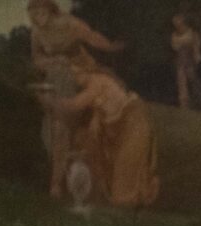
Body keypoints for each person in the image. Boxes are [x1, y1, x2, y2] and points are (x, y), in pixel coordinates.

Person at [26, 0, 124, 199]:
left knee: (63, 123)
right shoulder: (36, 33)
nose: (37, 17)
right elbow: (37, 60)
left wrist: (111, 46)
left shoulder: (69, 23)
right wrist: (53, 61)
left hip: (81, 74)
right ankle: (62, 178)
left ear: (50, 10)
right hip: (57, 77)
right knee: (53, 128)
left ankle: (57, 183)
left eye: (41, 11)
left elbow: (92, 37)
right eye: (33, 13)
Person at [46, 64, 158, 208]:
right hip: (120, 128)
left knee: (125, 175)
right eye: (73, 75)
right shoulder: (93, 85)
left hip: (133, 125)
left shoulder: (97, 82)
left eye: (77, 73)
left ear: (87, 70)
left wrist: (50, 100)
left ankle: (138, 197)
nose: (75, 78)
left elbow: (75, 105)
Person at [170, 12, 201, 110]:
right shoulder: (174, 35)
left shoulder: (192, 33)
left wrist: (197, 56)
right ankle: (184, 102)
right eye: (175, 22)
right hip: (180, 60)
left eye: (178, 21)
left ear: (183, 21)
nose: (177, 24)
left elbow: (196, 46)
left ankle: (199, 93)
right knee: (181, 80)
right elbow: (174, 47)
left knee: (192, 78)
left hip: (190, 59)